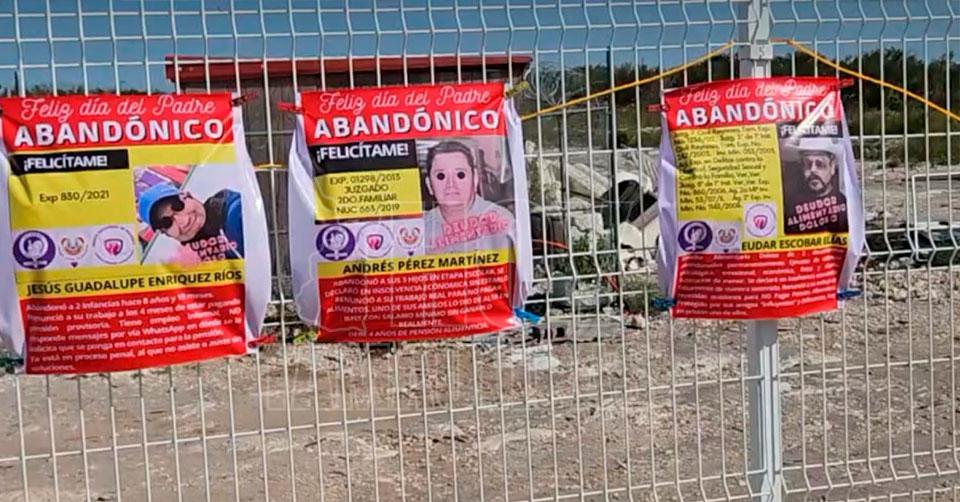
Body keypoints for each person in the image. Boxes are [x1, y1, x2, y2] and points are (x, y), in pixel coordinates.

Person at [422, 141, 515, 254]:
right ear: (429, 185)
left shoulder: (501, 220)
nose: (451, 184)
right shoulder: (420, 227)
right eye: (441, 176)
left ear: (475, 179)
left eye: (460, 175)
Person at [137, 182, 244, 261]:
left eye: (178, 206)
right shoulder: (197, 263)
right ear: (166, 234)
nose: (184, 221)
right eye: (166, 223)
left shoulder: (237, 212)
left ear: (188, 196)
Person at [782, 136, 848, 234]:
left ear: (832, 167)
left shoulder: (844, 203)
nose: (813, 170)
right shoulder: (789, 206)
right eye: (807, 164)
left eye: (820, 164)